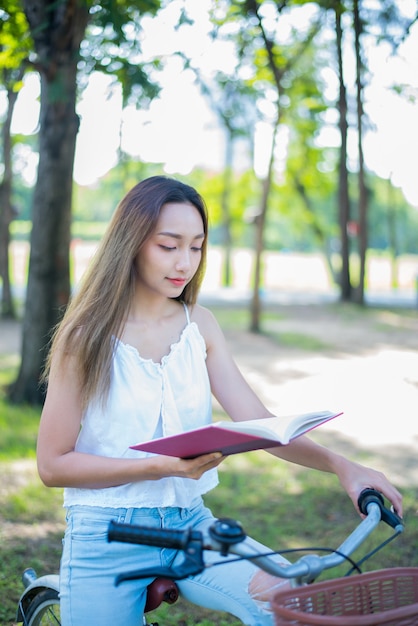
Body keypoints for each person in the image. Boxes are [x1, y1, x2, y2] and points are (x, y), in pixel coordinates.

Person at [37, 175, 402, 626]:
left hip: (190, 524)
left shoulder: (201, 327)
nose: (185, 262)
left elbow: (260, 425)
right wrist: (159, 466)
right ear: (131, 243)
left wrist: (345, 467)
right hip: (104, 532)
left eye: (196, 246)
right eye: (168, 246)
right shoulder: (84, 337)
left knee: (290, 601)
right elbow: (53, 465)